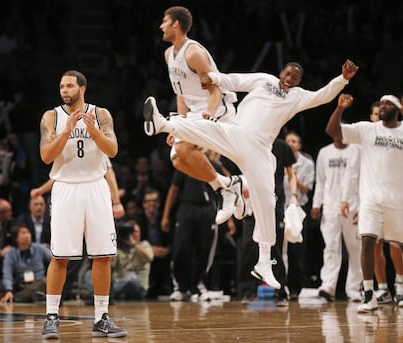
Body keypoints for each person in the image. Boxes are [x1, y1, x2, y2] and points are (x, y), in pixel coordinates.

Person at [143, 59, 359, 289]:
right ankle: (163, 124)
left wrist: (342, 79)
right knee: (208, 130)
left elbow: (323, 96)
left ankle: (264, 261)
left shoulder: (297, 96)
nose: (288, 80)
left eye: (294, 78)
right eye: (286, 74)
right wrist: (214, 78)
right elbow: (235, 80)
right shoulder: (264, 80)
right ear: (281, 72)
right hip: (237, 134)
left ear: (298, 82)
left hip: (260, 150)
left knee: (267, 203)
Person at [39, 70, 126, 338]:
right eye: (61, 86)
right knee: (60, 256)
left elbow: (112, 150)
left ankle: (102, 317)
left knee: (102, 255)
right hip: (66, 187)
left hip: (95, 186)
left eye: (69, 86)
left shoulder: (101, 115)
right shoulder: (51, 117)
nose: (64, 90)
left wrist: (92, 131)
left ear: (82, 88)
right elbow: (45, 156)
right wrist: (66, 131)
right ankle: (51, 316)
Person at [158, 6, 245, 225]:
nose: (161, 26)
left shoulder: (194, 53)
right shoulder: (169, 54)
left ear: (176, 24)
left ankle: (226, 190)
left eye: (164, 21)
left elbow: (215, 89)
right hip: (194, 112)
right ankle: (226, 185)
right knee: (178, 159)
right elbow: (180, 93)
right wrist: (178, 124)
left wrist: (209, 115)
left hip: (216, 108)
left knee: (185, 148)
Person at [325, 93, 403, 313]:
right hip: (371, 199)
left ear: (398, 109)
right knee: (368, 242)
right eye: (382, 103)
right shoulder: (368, 129)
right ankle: (370, 294)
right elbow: (333, 131)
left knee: (399, 246)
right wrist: (339, 109)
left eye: (389, 103)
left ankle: (401, 289)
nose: (383, 106)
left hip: (398, 199)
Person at [238, 138, 297, 304]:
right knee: (249, 243)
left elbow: (291, 174)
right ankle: (247, 291)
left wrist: (293, 196)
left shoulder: (282, 146)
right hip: (253, 197)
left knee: (274, 245)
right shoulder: (249, 140)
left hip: (274, 198)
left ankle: (280, 292)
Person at [357, 101, 403, 304]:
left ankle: (400, 286)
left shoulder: (396, 136)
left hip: (394, 196)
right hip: (372, 198)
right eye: (374, 113)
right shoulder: (365, 137)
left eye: (380, 112)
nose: (377, 116)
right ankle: (382, 288)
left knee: (395, 243)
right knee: (373, 244)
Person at [311, 137, 362, 302]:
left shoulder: (356, 150)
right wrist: (316, 204)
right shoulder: (324, 152)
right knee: (331, 248)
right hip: (331, 206)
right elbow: (320, 181)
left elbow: (363, 180)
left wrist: (362, 207)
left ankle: (354, 289)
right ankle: (328, 286)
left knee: (356, 249)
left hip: (353, 206)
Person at [161, 153, 218, 301]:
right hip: (187, 208)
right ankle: (181, 287)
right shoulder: (184, 164)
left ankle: (199, 285)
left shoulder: (214, 166)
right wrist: (166, 215)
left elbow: (226, 189)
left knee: (204, 249)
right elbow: (173, 190)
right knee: (181, 248)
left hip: (207, 209)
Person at [283, 131, 316, 298]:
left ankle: (296, 287)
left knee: (297, 249)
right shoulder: (279, 160)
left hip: (298, 209)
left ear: (299, 145)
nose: (290, 143)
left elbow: (307, 189)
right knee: (281, 250)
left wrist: (292, 176)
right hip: (281, 206)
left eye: (294, 141)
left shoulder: (307, 163)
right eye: (288, 140)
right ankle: (281, 286)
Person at [0, 223, 51, 304]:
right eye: (23, 233)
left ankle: (21, 297)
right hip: (20, 285)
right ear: (16, 238)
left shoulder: (39, 248)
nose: (27, 235)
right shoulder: (11, 254)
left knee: (43, 282)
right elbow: (7, 274)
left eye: (28, 232)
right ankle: (22, 296)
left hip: (38, 284)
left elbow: (54, 260)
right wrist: (8, 290)